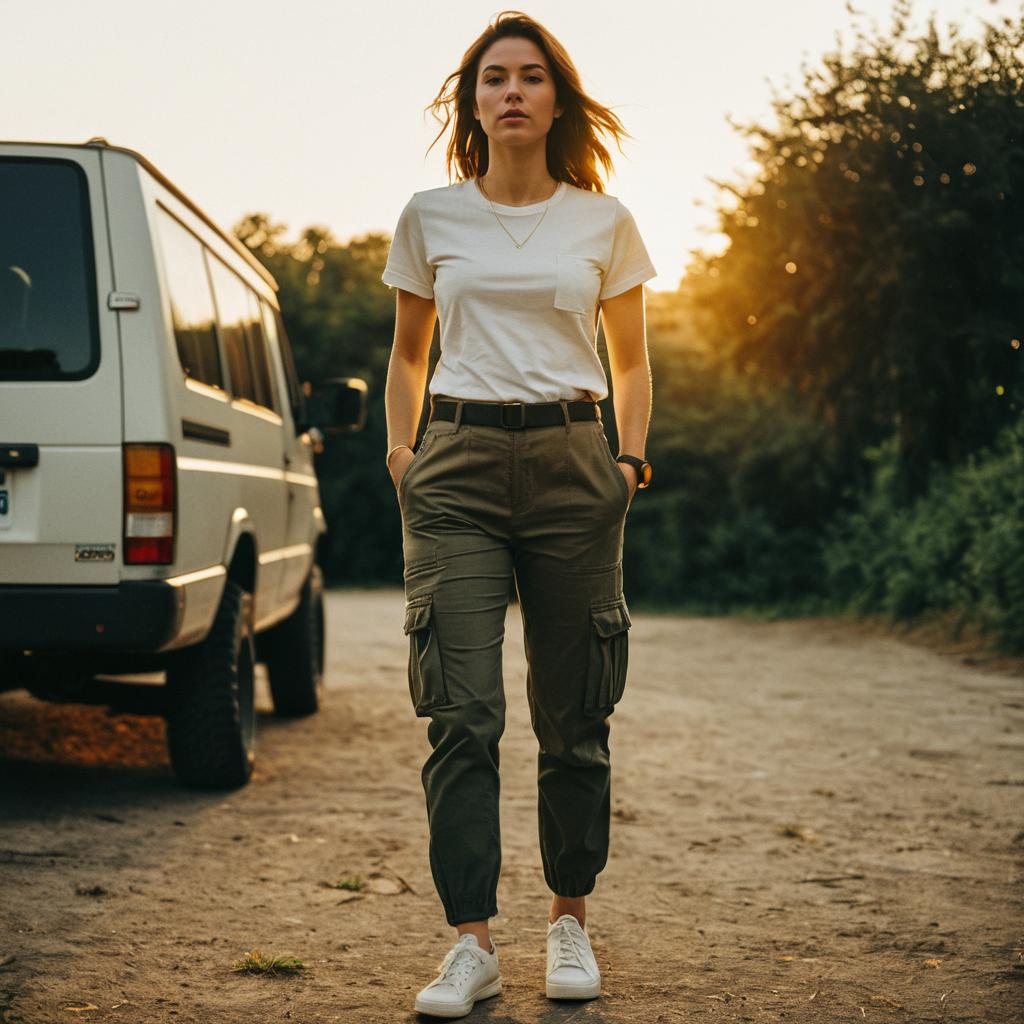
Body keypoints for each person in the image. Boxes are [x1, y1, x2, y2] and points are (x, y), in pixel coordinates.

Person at [381, 10, 655, 1018]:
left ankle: (568, 919)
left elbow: (628, 357)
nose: (510, 91)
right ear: (473, 102)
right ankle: (471, 945)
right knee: (460, 713)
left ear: (555, 99)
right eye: (492, 77)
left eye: (529, 76)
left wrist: (625, 458)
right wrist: (403, 454)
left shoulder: (604, 221)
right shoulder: (429, 216)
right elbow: (408, 353)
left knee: (574, 713)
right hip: (452, 467)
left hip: (575, 463)